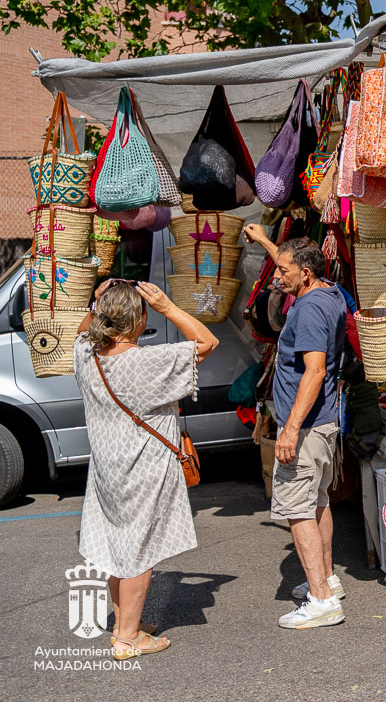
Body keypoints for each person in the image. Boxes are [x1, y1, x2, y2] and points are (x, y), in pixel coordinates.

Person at [73, 279, 219, 660]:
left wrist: (97, 300)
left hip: (107, 467)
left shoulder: (86, 353)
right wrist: (169, 308)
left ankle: (126, 622)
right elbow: (207, 342)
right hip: (143, 466)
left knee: (119, 546)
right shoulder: (145, 361)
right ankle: (128, 637)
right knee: (140, 551)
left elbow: (83, 329)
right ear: (139, 319)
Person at [243, 227, 347, 628]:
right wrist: (272, 247)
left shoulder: (307, 310)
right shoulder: (329, 292)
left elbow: (315, 371)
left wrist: (289, 429)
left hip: (305, 430)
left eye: (283, 270)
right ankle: (328, 580)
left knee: (297, 510)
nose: (276, 276)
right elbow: (298, 258)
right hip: (323, 425)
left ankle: (321, 601)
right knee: (318, 502)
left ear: (304, 274)